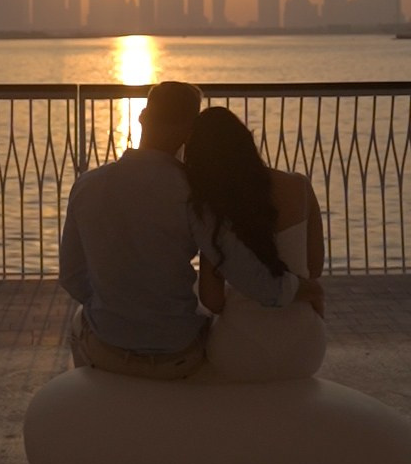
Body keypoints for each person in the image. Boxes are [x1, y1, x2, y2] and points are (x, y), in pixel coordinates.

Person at [59, 80, 286, 379]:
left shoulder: (87, 185)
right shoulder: (195, 194)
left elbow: (72, 277)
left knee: (81, 321)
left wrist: (116, 308)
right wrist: (295, 288)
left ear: (142, 116)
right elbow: (244, 272)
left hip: (108, 350)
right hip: (176, 356)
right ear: (190, 132)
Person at [184, 107, 325, 380]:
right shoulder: (299, 186)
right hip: (305, 348)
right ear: (247, 141)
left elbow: (212, 301)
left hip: (240, 348)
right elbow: (314, 267)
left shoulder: (211, 208)